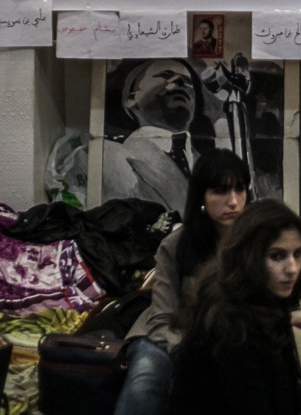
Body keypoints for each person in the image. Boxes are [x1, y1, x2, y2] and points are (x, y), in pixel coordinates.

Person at [171, 199, 301, 415]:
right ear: (249, 257)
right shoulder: (231, 326)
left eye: (298, 254)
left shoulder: (267, 307)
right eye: (277, 256)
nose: (292, 268)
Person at [114, 149, 250, 415]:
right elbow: (162, 318)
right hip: (169, 335)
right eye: (221, 191)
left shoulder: (258, 241)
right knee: (147, 376)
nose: (233, 201)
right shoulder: (176, 245)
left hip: (234, 338)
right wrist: (191, 355)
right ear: (202, 196)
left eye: (240, 189)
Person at [102, 58, 210, 211]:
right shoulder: (110, 155)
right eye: (165, 75)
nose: (180, 82)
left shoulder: (208, 165)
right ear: (132, 99)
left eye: (188, 81)